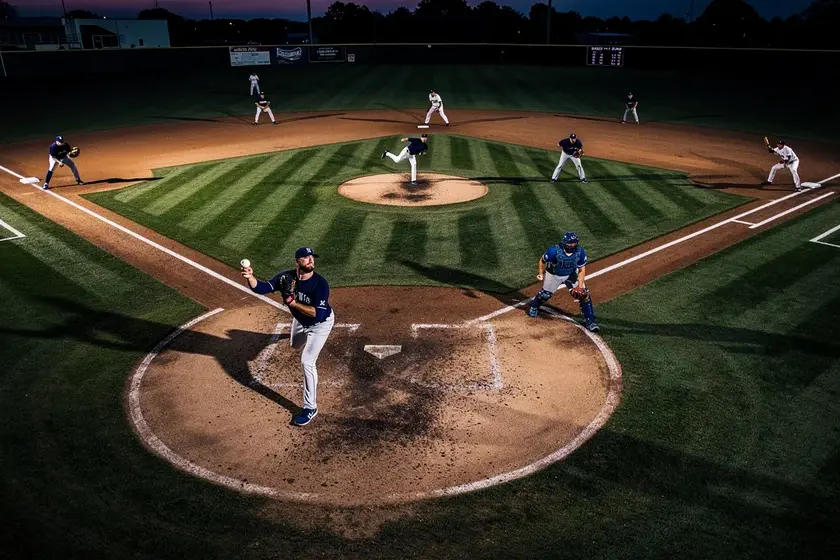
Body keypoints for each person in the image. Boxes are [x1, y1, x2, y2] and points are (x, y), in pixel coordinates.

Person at [242, 247, 334, 426]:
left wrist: (292, 302)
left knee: (307, 360)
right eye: (306, 258)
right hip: (300, 321)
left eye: (311, 258)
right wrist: (250, 277)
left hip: (320, 326)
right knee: (294, 344)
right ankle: (293, 336)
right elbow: (262, 288)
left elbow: (318, 315)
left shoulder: (320, 284)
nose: (310, 260)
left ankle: (310, 407)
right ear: (297, 261)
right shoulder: (286, 277)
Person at [528, 232, 600, 333]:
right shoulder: (554, 251)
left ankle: (590, 322)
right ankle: (534, 306)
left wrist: (579, 286)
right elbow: (542, 260)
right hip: (554, 275)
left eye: (574, 243)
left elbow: (581, 270)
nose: (573, 245)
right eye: (570, 243)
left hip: (571, 274)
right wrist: (540, 273)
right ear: (565, 243)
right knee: (545, 295)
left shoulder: (580, 252)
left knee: (584, 294)